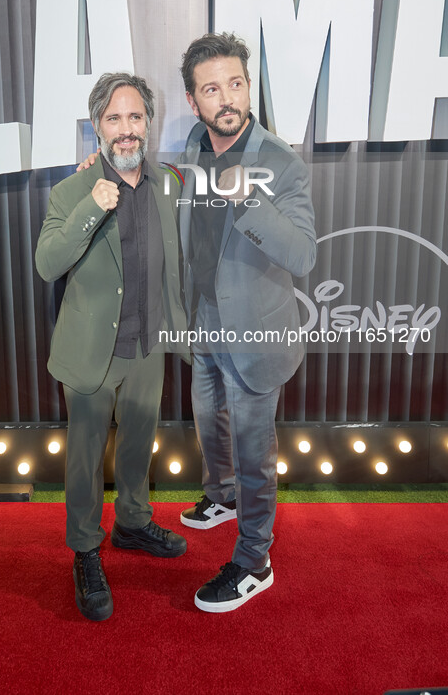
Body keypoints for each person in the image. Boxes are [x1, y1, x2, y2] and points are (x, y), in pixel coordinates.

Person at [35, 72, 188, 623]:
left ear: (149, 122)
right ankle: (83, 550)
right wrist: (92, 206)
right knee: (83, 461)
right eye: (114, 119)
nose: (126, 131)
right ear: (97, 125)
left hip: (149, 346)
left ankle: (132, 522)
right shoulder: (71, 190)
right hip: (91, 355)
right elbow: (48, 263)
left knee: (137, 448)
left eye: (136, 118)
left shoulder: (169, 183)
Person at [177, 32, 316, 613]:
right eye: (212, 88)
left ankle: (255, 560)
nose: (228, 97)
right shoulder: (192, 145)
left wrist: (250, 202)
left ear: (248, 85)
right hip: (205, 319)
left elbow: (304, 256)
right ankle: (222, 496)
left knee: (255, 452)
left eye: (236, 83)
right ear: (194, 102)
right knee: (210, 423)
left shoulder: (281, 163)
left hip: (257, 335)